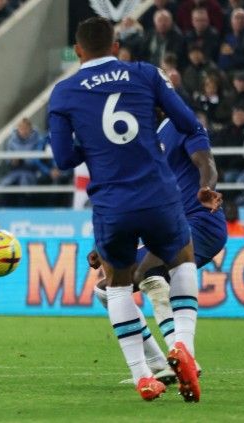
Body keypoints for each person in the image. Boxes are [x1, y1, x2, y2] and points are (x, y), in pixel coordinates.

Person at [48, 18, 203, 402]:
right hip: (157, 192)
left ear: (78, 49)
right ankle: (183, 344)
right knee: (183, 260)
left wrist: (96, 145)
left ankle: (142, 377)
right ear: (116, 45)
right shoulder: (145, 73)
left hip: (112, 202)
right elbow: (185, 122)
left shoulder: (64, 91)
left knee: (116, 282)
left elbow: (64, 158)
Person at [92, 118, 226, 384]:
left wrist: (206, 187)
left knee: (150, 272)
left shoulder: (182, 123)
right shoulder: (138, 137)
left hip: (200, 223)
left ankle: (185, 359)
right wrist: (106, 241)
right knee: (107, 288)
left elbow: (206, 162)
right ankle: (157, 363)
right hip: (165, 225)